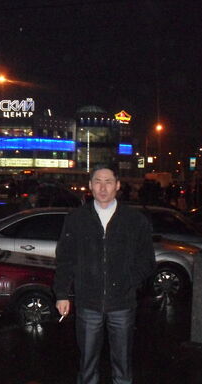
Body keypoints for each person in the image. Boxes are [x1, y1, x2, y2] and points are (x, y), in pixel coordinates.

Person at [53, 164, 156, 384]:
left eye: (108, 182)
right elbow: (65, 259)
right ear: (90, 186)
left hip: (122, 303)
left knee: (123, 363)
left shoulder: (135, 220)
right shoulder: (77, 219)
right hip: (88, 302)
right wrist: (62, 294)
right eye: (98, 182)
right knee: (87, 363)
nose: (103, 187)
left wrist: (129, 282)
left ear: (117, 185)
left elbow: (146, 260)